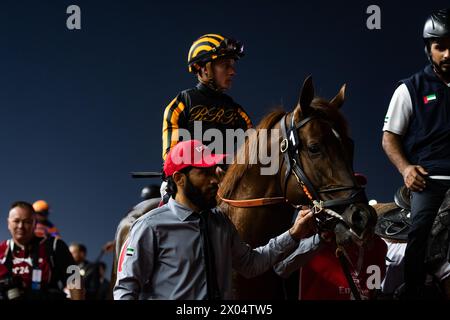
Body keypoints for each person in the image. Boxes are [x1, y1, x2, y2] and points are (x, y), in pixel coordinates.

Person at [114, 140, 316, 300]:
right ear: (179, 179)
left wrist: (294, 234)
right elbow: (126, 289)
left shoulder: (220, 221)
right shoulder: (149, 227)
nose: (215, 179)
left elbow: (251, 264)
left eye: (214, 171)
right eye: (204, 172)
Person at [382, 8, 450, 298]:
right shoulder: (410, 89)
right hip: (429, 178)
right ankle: (413, 291)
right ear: (428, 49)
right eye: (441, 47)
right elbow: (389, 138)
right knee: (420, 234)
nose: (448, 54)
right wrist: (406, 169)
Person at [162, 33, 252, 160]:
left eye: (232, 65)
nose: (233, 71)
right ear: (205, 68)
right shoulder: (181, 104)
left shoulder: (236, 111)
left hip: (225, 177)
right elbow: (171, 159)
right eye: (225, 65)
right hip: (190, 178)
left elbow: (257, 148)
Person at [0, 201, 83, 300]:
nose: (21, 226)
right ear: (8, 223)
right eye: (16, 221)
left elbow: (75, 280)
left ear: (35, 223)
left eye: (27, 221)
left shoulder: (54, 246)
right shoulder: (2, 250)